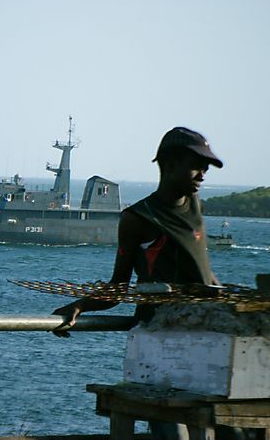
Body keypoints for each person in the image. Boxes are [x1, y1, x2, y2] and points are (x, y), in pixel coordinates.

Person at [51, 127, 229, 440]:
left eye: (206, 167)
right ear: (169, 164)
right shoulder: (138, 217)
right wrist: (78, 305)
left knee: (222, 428)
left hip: (204, 334)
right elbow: (119, 287)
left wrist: (222, 295)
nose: (202, 174)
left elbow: (201, 272)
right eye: (196, 165)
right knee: (173, 432)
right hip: (159, 339)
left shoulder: (196, 206)